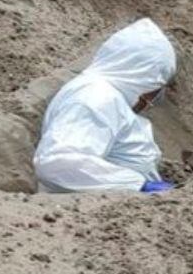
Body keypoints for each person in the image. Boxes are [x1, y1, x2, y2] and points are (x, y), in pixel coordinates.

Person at [32, 18, 177, 194]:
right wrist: (138, 186)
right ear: (143, 76)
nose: (151, 99)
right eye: (156, 88)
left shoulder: (104, 95)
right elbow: (57, 162)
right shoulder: (95, 98)